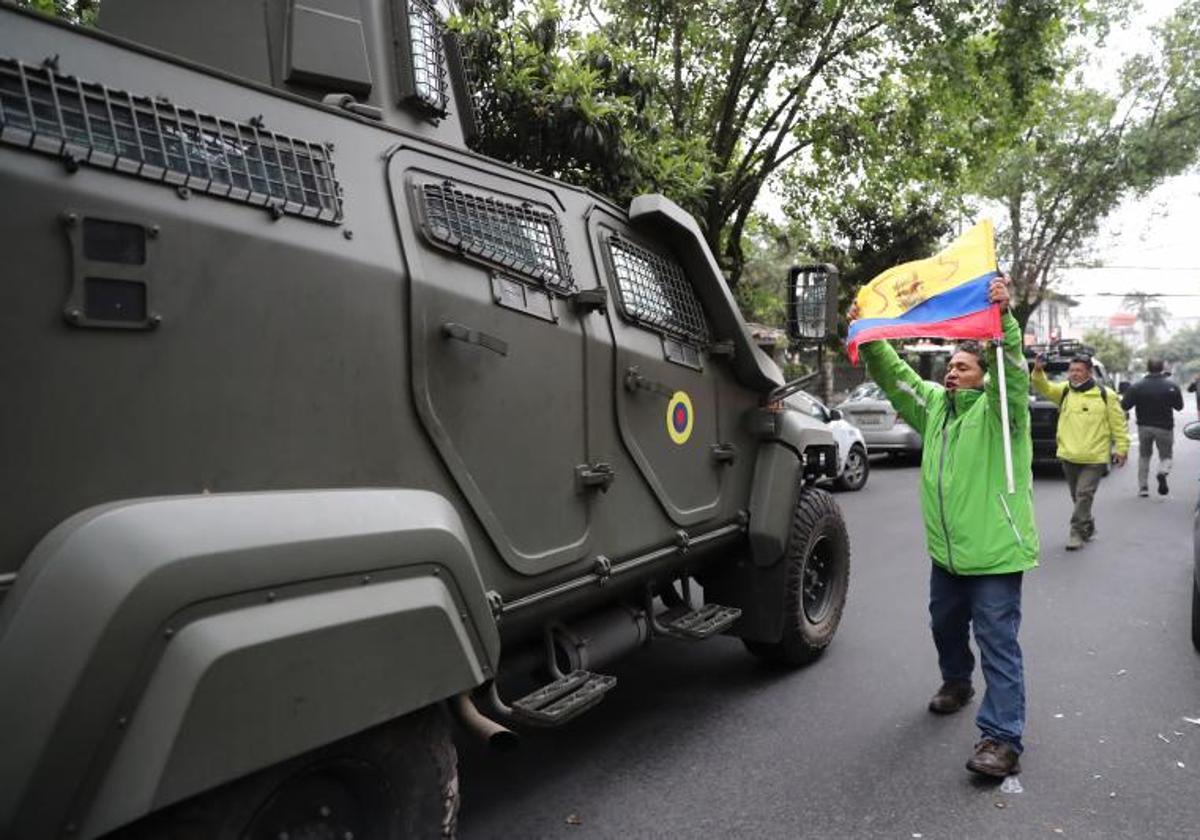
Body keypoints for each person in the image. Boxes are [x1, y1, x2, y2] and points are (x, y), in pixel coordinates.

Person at [850, 275, 1038, 779]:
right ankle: (957, 681)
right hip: (948, 556)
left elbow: (1013, 375)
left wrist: (1006, 325)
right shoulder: (935, 407)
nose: (953, 373)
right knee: (945, 625)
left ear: (983, 375)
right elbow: (895, 377)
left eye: (964, 366)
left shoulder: (1004, 414)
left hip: (996, 554)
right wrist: (869, 336)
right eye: (950, 366)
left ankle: (1002, 739)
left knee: (998, 643)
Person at [1031, 354, 1128, 550]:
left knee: (1084, 495)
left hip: (1095, 456)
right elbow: (1044, 387)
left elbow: (1118, 423)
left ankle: (1075, 533)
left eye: (1078, 370)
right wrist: (1038, 371)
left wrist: (1121, 448)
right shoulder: (1064, 391)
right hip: (1069, 454)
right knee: (1078, 497)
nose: (1074, 374)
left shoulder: (1105, 394)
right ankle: (1088, 524)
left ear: (1089, 372)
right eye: (1072, 370)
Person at [1121, 358, 1184, 496]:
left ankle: (1143, 488)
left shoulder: (1137, 386)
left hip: (1144, 427)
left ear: (1147, 368)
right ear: (1162, 368)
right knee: (1166, 456)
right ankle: (1162, 471)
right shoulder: (1171, 386)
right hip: (1165, 427)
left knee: (1144, 456)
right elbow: (1179, 407)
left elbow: (1125, 405)